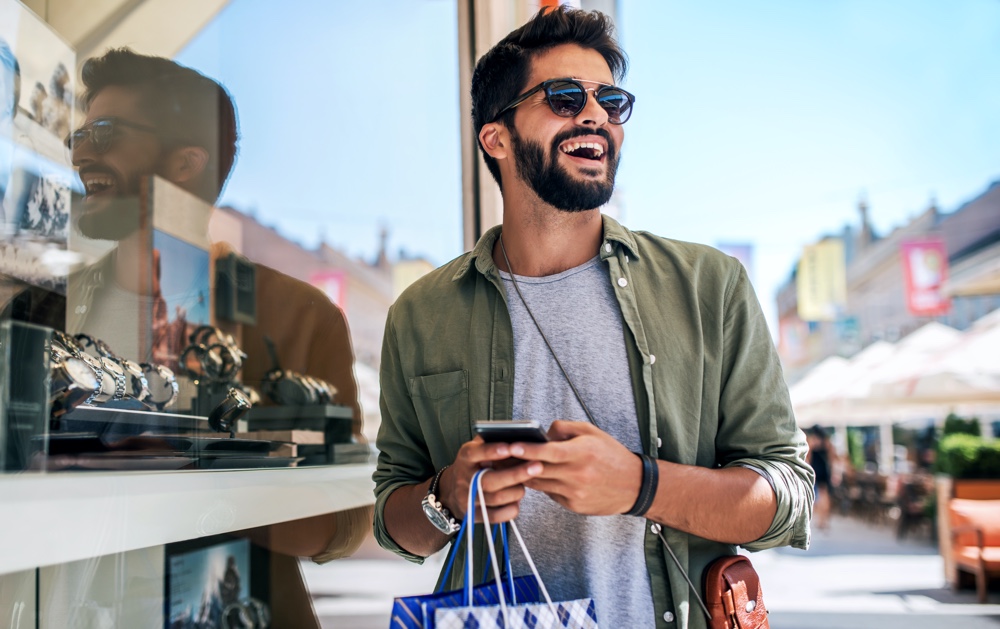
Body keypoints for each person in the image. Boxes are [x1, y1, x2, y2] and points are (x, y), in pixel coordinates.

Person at [373, 8, 814, 628]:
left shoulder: (709, 286)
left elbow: (788, 498)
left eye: (610, 99)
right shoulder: (421, 315)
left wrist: (640, 486)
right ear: (495, 137)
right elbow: (397, 522)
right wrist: (449, 497)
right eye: (564, 97)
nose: (596, 115)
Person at [66, 47, 370, 562]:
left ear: (185, 163)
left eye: (105, 133)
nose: (80, 155)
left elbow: (342, 523)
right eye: (79, 136)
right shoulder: (39, 312)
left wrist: (195, 479)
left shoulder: (298, 318)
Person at [807, 424, 834, 531]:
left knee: (816, 497)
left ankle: (820, 520)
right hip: (824, 470)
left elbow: (808, 456)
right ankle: (824, 519)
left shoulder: (811, 441)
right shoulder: (826, 441)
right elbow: (831, 457)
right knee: (825, 496)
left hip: (815, 470)